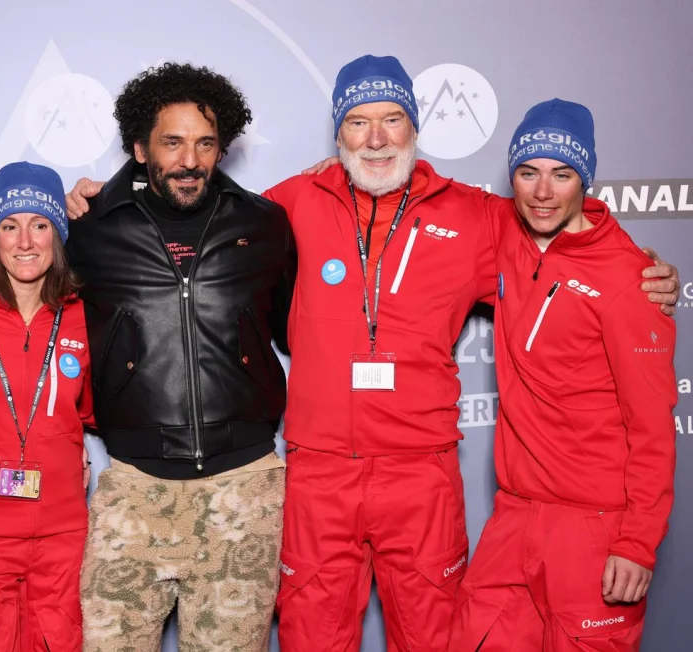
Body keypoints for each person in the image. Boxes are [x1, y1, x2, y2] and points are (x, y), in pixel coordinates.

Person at [67, 55, 679, 651]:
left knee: (434, 636)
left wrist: (638, 268)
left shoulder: (474, 216)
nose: (378, 139)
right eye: (359, 122)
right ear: (339, 134)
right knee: (312, 634)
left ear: (415, 127)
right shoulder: (286, 205)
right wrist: (109, 194)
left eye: (393, 120)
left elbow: (558, 227)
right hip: (320, 473)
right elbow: (190, 211)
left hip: (422, 475)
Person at [65, 62, 294, 651]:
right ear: (140, 148)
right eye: (172, 141)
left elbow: (292, 331)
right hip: (136, 486)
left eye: (205, 142)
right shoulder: (91, 230)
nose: (190, 159)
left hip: (244, 489)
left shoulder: (267, 225)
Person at [448, 100, 677, 651]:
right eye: (528, 173)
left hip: (594, 527)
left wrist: (638, 542)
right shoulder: (505, 233)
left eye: (561, 174)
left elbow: (652, 428)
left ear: (585, 181)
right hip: (514, 515)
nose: (543, 192)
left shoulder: (630, 279)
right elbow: (422, 190)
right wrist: (342, 165)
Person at [0, 162, 93, 651]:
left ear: (58, 234)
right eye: (10, 226)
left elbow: (96, 408)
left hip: (60, 534)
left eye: (40, 225)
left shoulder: (85, 316)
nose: (25, 241)